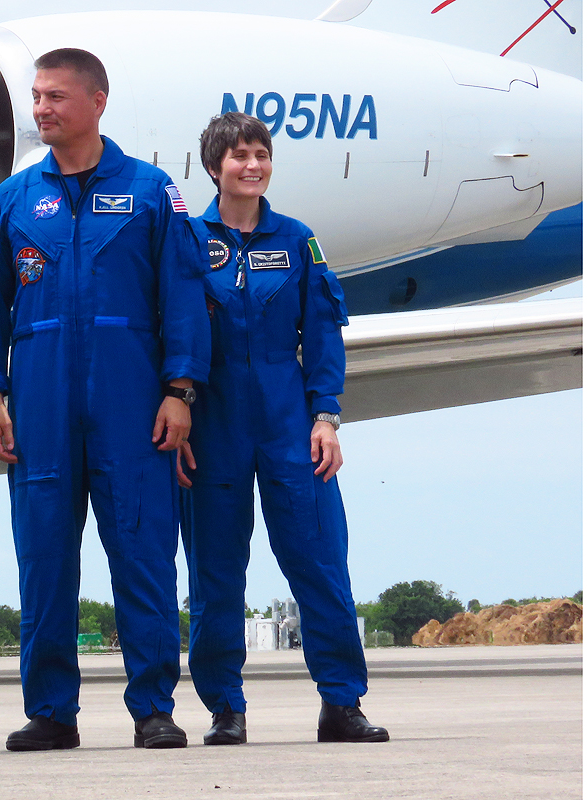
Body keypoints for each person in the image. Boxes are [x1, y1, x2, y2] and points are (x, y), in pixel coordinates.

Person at [0, 48, 210, 751]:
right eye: (36, 97)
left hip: (132, 401)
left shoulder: (151, 192)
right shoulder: (13, 201)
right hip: (38, 402)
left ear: (98, 100)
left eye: (55, 97)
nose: (41, 109)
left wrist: (180, 391)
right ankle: (50, 711)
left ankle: (154, 707)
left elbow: (183, 298)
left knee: (142, 552)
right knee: (42, 559)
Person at [181, 111, 389, 745]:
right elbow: (172, 334)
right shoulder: (185, 242)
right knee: (215, 570)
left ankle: (342, 703)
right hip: (212, 422)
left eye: (261, 154)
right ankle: (225, 709)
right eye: (239, 156)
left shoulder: (299, 241)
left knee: (320, 559)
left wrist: (326, 416)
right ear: (213, 167)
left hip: (288, 421)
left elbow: (323, 335)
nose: (252, 166)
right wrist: (178, 408)